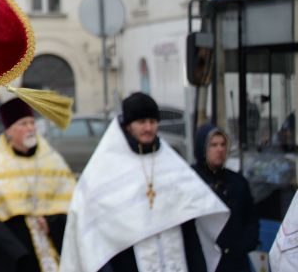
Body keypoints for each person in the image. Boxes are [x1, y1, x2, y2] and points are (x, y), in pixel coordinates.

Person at [60, 92, 229, 271]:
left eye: (153, 122)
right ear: (127, 126)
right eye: (141, 122)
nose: (148, 128)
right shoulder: (105, 168)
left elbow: (188, 229)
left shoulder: (171, 163)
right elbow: (92, 229)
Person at [0, 97, 74, 272]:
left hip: (52, 247)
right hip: (15, 255)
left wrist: (52, 223)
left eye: (32, 123)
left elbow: (71, 205)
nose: (30, 128)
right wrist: (17, 252)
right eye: (23, 124)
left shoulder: (52, 160)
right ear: (9, 131)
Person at [191, 123, 259, 271]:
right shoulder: (190, 180)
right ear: (202, 148)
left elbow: (251, 219)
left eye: (223, 144)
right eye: (213, 145)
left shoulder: (238, 182)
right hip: (202, 263)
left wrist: (243, 245)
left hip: (236, 263)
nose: (220, 149)